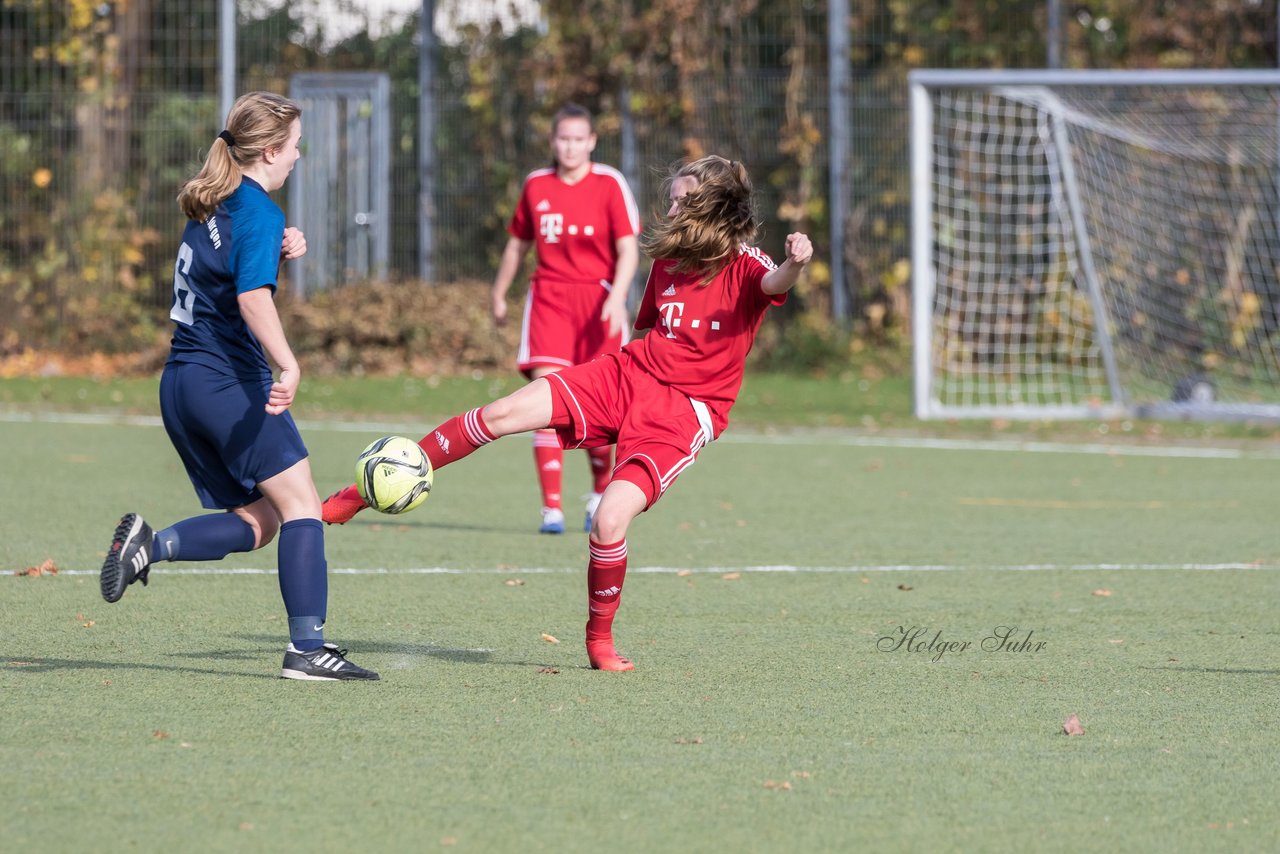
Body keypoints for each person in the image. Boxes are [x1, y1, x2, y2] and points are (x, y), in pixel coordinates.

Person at [323, 155, 813, 671]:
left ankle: (598, 641)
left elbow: (774, 284)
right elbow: (653, 335)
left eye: (681, 198)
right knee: (503, 413)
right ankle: (360, 493)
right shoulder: (671, 258)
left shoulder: (746, 262)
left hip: (685, 412)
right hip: (629, 374)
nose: (669, 205)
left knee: (608, 519)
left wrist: (797, 263)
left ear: (710, 205)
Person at [99, 91, 378, 682]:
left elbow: (225, 269)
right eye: (296, 146)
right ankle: (307, 650)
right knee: (304, 507)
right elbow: (251, 298)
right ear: (271, 150)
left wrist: (277, 246)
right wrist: (290, 364)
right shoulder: (257, 211)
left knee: (262, 520)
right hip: (227, 382)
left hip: (182, 386)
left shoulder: (218, 199)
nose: (299, 156)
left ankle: (151, 545)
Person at [489, 103, 640, 534]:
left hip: (599, 302)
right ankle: (551, 508)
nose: (570, 146)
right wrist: (499, 293)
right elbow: (517, 245)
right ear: (553, 141)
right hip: (551, 301)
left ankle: (598, 493)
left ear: (591, 141)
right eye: (563, 138)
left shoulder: (610, 183)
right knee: (546, 397)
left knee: (602, 404)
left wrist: (619, 298)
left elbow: (628, 247)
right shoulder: (537, 185)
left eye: (579, 138)